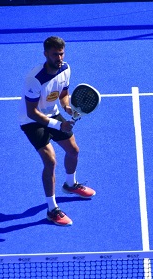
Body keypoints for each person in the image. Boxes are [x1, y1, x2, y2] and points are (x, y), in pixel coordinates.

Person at [19, 36, 96, 227]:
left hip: (52, 114)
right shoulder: (34, 80)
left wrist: (67, 108)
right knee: (50, 161)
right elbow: (32, 112)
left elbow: (63, 95)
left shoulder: (65, 69)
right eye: (55, 54)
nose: (59, 58)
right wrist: (57, 125)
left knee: (73, 150)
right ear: (45, 54)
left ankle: (70, 185)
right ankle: (52, 209)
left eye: (61, 53)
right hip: (31, 121)